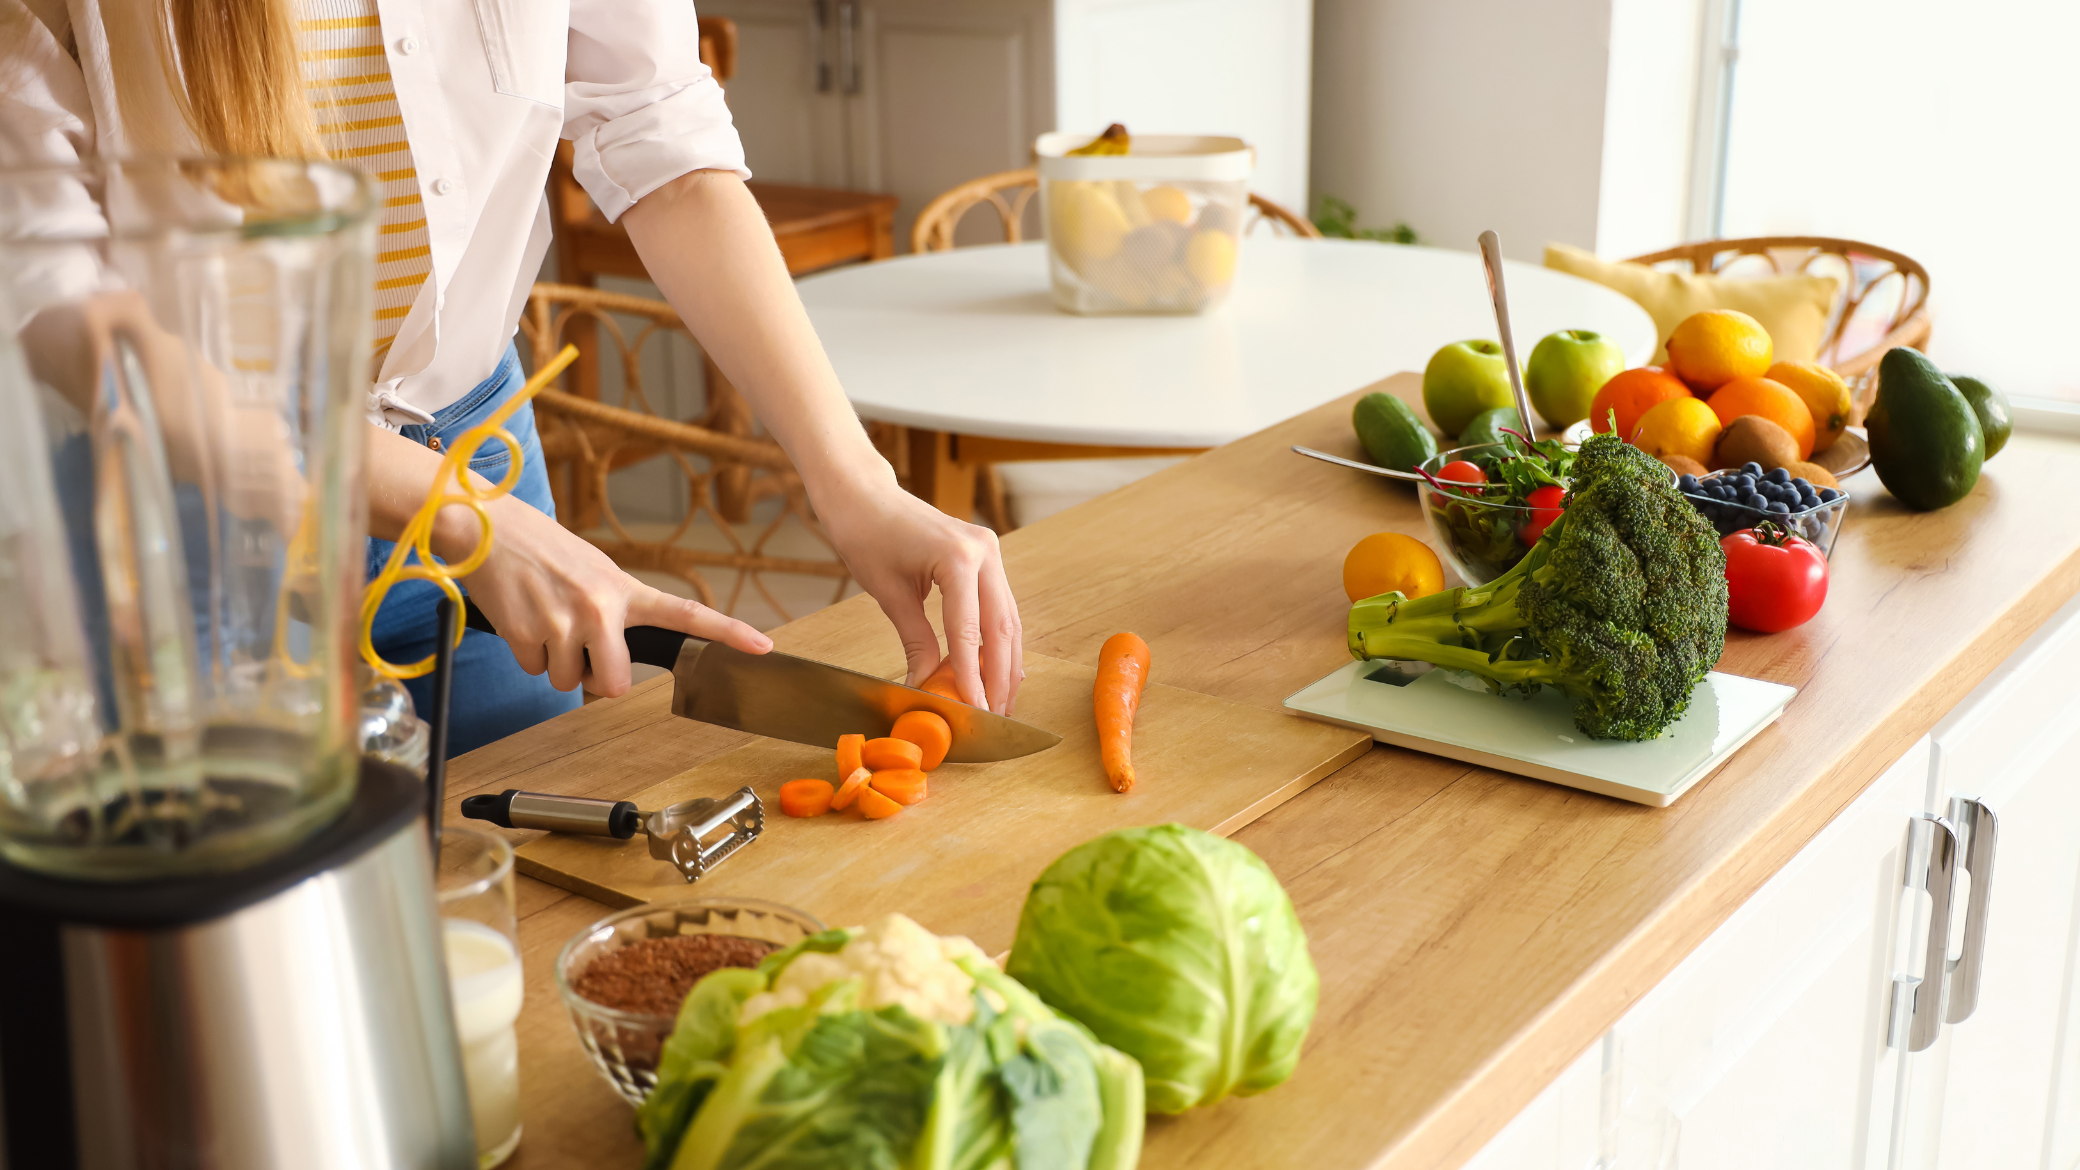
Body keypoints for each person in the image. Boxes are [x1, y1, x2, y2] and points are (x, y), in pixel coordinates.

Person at [1, 0, 1022, 753]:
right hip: (177, 529)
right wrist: (459, 512)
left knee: (522, 890)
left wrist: (857, 486)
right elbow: (71, 315)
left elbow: (659, 136)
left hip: (477, 467)